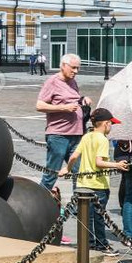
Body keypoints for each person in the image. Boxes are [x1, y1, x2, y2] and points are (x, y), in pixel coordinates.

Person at [64, 107, 129, 254]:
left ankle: (88, 243)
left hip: (83, 183)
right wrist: (117, 165)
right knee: (99, 216)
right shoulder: (103, 140)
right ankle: (102, 245)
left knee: (87, 217)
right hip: (98, 185)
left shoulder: (87, 136)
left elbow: (73, 157)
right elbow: (99, 162)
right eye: (111, 124)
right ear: (106, 124)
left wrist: (67, 169)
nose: (111, 127)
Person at [36, 53, 89, 200]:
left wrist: (83, 100)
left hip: (76, 135)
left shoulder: (73, 82)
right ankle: (39, 202)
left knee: (79, 173)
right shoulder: (52, 82)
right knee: (52, 173)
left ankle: (78, 207)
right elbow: (39, 105)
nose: (76, 71)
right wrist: (64, 108)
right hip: (58, 135)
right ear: (63, 66)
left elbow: (74, 100)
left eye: (78, 68)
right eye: (73, 68)